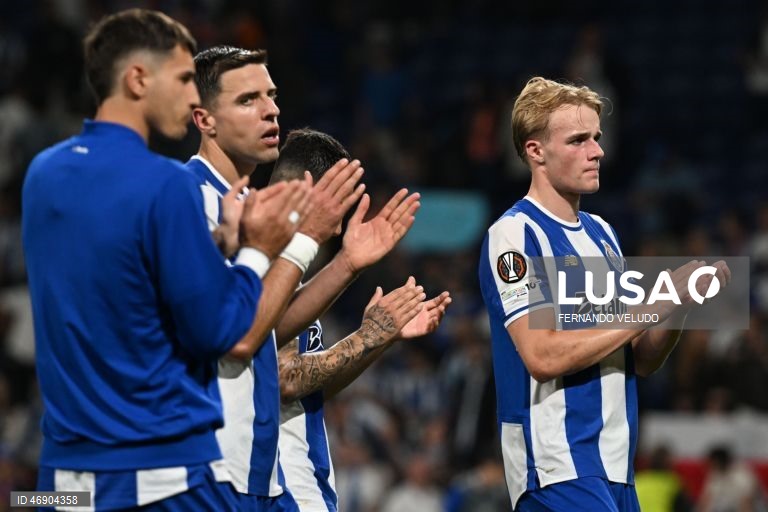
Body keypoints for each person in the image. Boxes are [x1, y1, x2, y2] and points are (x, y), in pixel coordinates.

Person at [22, 9, 310, 510]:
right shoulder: (168, 183)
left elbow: (113, 281)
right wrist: (256, 251)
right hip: (161, 475)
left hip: (61, 480)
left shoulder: (43, 173)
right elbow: (221, 335)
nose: (191, 95)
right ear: (137, 79)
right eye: (181, 79)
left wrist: (212, 251)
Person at [187, 46, 424, 511]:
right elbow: (242, 337)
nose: (272, 109)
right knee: (50, 499)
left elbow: (265, 330)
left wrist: (348, 263)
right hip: (206, 470)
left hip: (258, 475)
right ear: (204, 119)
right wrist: (308, 240)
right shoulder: (186, 197)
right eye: (248, 99)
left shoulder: (246, 210)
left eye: (272, 95)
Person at [478, 77, 730, 511]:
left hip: (616, 467)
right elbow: (543, 357)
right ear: (535, 151)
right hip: (556, 465)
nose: (597, 151)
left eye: (596, 137)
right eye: (578, 140)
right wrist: (656, 303)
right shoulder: (515, 234)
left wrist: (679, 301)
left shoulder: (603, 234)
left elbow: (642, 358)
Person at [272, 129, 452, 512]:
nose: (339, 228)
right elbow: (284, 378)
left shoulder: (291, 272)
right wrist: (370, 337)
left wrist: (379, 338)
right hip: (282, 491)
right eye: (340, 205)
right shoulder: (269, 263)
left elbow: (304, 390)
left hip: (299, 488)